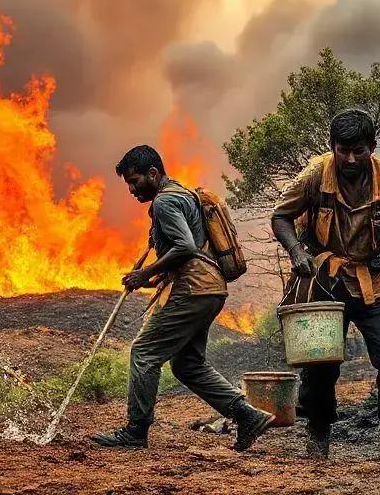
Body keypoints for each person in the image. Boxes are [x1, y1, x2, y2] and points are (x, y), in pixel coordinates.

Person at [271, 108, 380, 461]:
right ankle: (318, 434)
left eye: (358, 150)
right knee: (320, 363)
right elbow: (280, 216)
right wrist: (297, 251)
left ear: (371, 146)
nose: (350, 158)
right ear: (332, 146)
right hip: (326, 282)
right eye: (343, 149)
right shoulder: (315, 176)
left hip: (377, 281)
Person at [92, 145, 274, 451]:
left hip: (194, 290)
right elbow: (188, 252)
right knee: (187, 365)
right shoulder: (182, 194)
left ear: (153, 173)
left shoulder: (165, 201)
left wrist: (144, 271)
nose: (132, 189)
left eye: (135, 181)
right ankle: (247, 416)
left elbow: (186, 247)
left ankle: (135, 432)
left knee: (144, 352)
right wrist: (151, 279)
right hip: (209, 288)